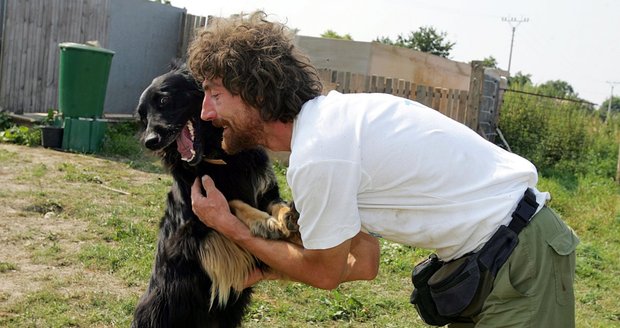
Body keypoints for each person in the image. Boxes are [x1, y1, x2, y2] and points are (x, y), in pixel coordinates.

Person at [187, 11, 579, 327]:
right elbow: (366, 262)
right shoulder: (332, 130)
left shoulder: (322, 152)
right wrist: (270, 270)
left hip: (522, 261)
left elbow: (325, 275)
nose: (205, 113)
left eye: (216, 95)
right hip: (495, 256)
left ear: (257, 94)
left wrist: (230, 226)